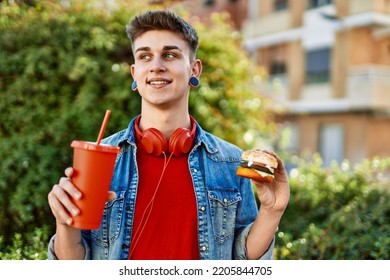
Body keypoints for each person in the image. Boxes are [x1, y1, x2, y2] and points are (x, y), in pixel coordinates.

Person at [47, 9, 290, 260]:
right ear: (134, 74)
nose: (156, 66)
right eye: (145, 56)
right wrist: (64, 223)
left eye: (170, 55)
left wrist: (272, 211)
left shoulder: (229, 161)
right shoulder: (102, 159)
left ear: (194, 69)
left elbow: (243, 262)